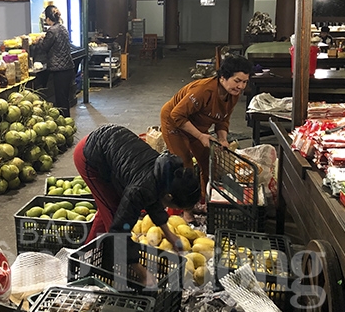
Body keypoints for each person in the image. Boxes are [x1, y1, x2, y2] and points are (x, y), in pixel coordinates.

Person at [73, 124, 200, 285]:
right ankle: (95, 268)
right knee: (113, 215)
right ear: (169, 196)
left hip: (109, 145)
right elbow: (119, 230)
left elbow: (154, 199)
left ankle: (87, 252)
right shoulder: (141, 189)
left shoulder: (166, 173)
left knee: (110, 208)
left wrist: (169, 235)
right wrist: (140, 271)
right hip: (89, 157)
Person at [160, 55, 251, 212]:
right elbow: (177, 115)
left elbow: (222, 120)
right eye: (237, 81)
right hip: (174, 122)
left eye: (245, 82)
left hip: (197, 126)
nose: (241, 86)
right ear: (223, 77)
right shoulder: (204, 91)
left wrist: (223, 139)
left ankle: (205, 200)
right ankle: (186, 210)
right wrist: (200, 136)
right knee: (185, 165)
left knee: (209, 163)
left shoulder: (232, 95)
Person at [31, 5, 75, 117]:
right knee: (64, 98)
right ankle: (67, 121)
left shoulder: (52, 31)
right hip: (68, 68)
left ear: (48, 19)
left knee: (61, 100)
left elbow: (44, 47)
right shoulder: (62, 28)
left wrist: (38, 41)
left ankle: (64, 123)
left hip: (60, 70)